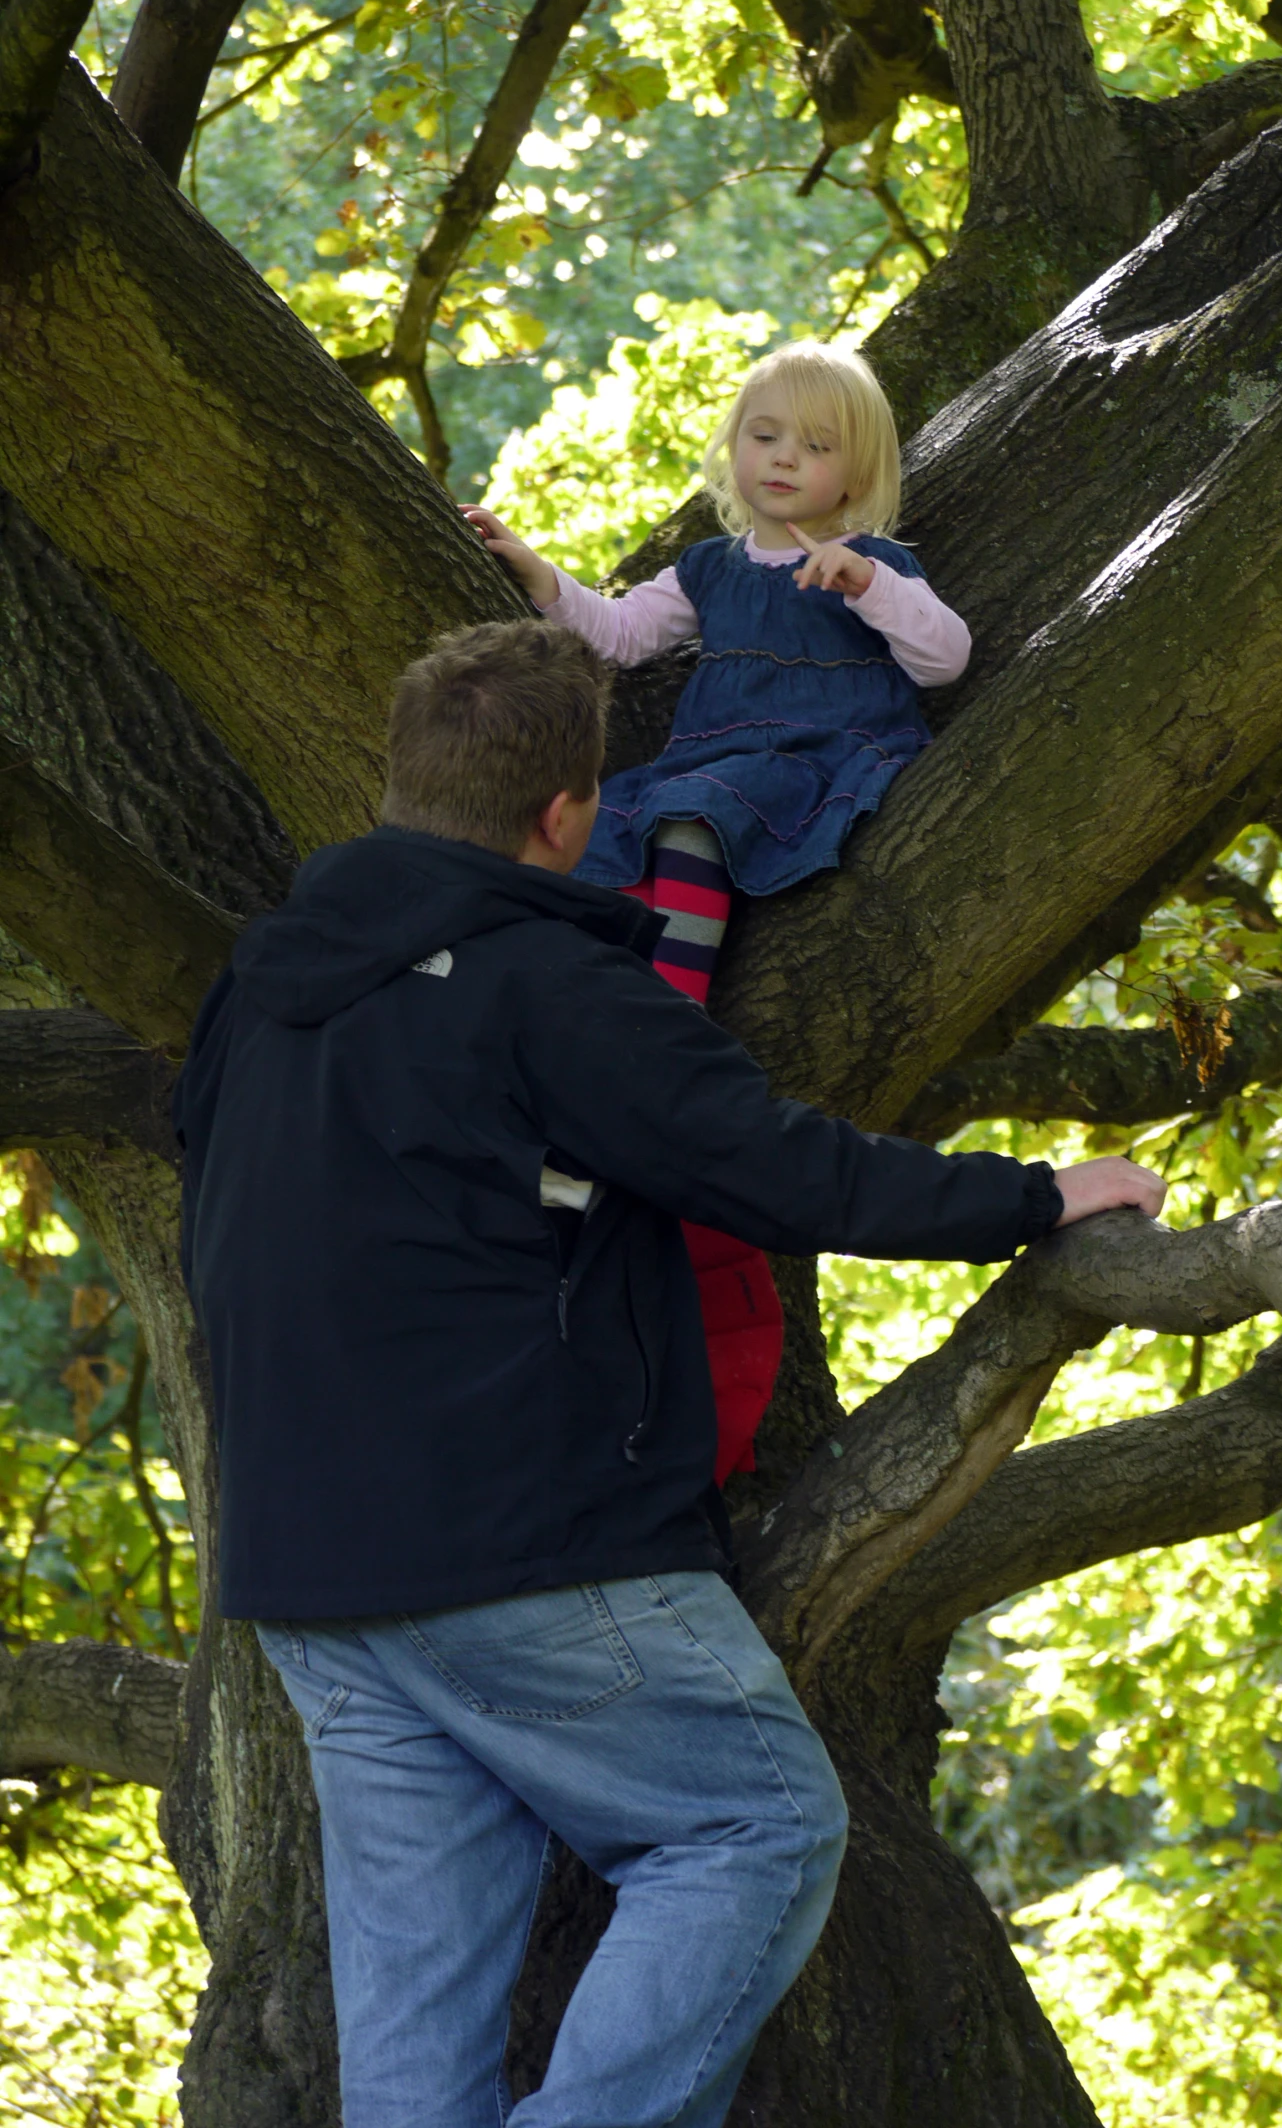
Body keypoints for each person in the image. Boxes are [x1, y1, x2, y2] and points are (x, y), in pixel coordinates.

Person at [172, 617, 1166, 2128]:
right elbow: (777, 1170)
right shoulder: (545, 984)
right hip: (519, 1540)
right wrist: (1029, 1199)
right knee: (753, 1830)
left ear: (396, 784)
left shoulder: (255, 997)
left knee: (414, 2017)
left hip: (308, 1568)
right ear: (569, 815)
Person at [463, 340, 969, 1482]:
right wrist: (541, 576)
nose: (784, 458)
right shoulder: (709, 567)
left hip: (807, 758)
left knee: (690, 825)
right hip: (710, 758)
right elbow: (624, 634)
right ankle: (586, 1054)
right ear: (734, 449)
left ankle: (657, 1036)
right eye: (765, 436)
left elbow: (944, 660)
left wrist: (870, 586)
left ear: (858, 471)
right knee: (600, 859)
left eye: (815, 444)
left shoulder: (870, 558)